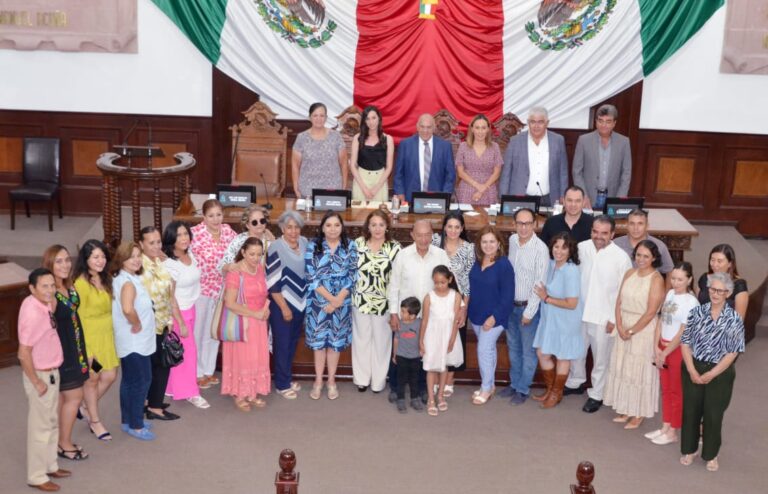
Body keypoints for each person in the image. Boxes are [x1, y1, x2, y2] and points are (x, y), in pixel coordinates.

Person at [680, 272, 745, 472]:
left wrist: (712, 373)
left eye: (720, 290)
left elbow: (732, 353)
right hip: (694, 366)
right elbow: (685, 343)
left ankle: (711, 454)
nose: (715, 294)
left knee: (713, 413)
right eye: (712, 289)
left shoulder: (734, 319)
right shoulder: (696, 313)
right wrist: (691, 369)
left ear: (728, 293)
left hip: (720, 372)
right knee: (691, 411)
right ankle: (689, 450)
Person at [567, 215, 633, 412]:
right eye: (595, 232)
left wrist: (615, 319)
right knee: (577, 352)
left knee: (601, 358)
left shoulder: (621, 258)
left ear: (612, 234)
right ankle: (576, 382)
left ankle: (597, 394)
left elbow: (624, 292)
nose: (599, 236)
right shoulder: (581, 248)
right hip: (580, 312)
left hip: (603, 318)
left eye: (604, 233)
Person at [603, 240, 666, 429]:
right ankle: (626, 408)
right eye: (638, 255)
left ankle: (639, 412)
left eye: (646, 256)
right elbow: (618, 302)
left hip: (643, 330)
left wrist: (631, 331)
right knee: (624, 368)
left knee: (639, 371)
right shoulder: (629, 273)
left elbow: (651, 311)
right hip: (624, 325)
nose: (641, 259)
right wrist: (620, 326)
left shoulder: (656, 279)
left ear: (654, 258)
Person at [18, 268, 70, 491]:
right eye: (44, 286)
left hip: (50, 372)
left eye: (52, 285)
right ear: (32, 288)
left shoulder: (41, 303)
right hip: (40, 375)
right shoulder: (33, 313)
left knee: (50, 421)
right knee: (40, 427)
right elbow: (23, 353)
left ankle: (50, 465)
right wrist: (36, 381)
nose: (50, 290)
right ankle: (37, 476)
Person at [387, 219, 451, 404]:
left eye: (427, 235)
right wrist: (393, 314)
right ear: (412, 235)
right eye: (419, 235)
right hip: (406, 317)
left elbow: (448, 284)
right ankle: (396, 387)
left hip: (431, 316)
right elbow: (394, 286)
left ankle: (423, 389)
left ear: (433, 235)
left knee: (425, 354)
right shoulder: (403, 255)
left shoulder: (440, 255)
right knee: (399, 352)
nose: (424, 239)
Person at [42, 245, 89, 461]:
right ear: (49, 264)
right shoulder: (49, 293)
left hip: (76, 346)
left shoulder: (68, 286)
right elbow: (44, 327)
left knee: (63, 399)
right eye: (58, 261)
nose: (65, 265)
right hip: (62, 352)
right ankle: (65, 443)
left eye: (67, 260)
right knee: (74, 397)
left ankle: (58, 441)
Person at [304, 211, 358, 400]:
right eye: (328, 225)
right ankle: (318, 381)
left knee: (335, 344)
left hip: (342, 302)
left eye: (336, 225)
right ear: (322, 228)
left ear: (342, 227)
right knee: (319, 345)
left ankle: (332, 381)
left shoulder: (350, 246)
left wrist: (338, 300)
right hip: (318, 302)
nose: (333, 229)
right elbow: (311, 276)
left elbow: (353, 274)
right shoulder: (313, 246)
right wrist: (330, 299)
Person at [646, 262, 699, 446]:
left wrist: (665, 352)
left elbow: (683, 332)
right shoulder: (669, 294)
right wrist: (656, 347)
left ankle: (673, 430)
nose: (676, 283)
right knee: (666, 389)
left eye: (680, 280)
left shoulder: (691, 302)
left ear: (689, 280)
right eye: (673, 278)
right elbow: (661, 321)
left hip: (677, 350)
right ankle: (665, 425)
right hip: (662, 346)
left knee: (676, 391)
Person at [499, 207, 549, 405]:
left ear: (535, 224)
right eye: (520, 223)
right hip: (511, 306)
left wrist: (529, 312)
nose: (524, 227)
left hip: (529, 308)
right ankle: (514, 383)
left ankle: (523, 388)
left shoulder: (541, 249)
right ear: (514, 224)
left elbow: (540, 283)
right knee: (513, 348)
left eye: (528, 223)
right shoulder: (512, 241)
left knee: (528, 351)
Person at [531, 232, 584, 409]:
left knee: (563, 357)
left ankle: (556, 393)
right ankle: (550, 389)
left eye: (564, 247)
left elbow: (572, 303)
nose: (558, 251)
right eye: (556, 246)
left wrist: (547, 298)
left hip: (566, 320)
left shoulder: (571, 271)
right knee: (542, 353)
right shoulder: (551, 264)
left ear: (570, 250)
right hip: (550, 319)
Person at [72, 239, 118, 442]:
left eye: (102, 257)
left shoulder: (106, 278)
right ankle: (95, 420)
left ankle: (83, 407)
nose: (100, 261)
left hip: (106, 337)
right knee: (92, 379)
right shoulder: (81, 284)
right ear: (86, 259)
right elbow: (78, 318)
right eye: (95, 257)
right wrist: (86, 350)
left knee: (109, 376)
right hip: (90, 339)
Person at [111, 241, 156, 441]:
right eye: (132, 256)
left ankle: (127, 420)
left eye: (139, 255)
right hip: (135, 341)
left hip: (130, 341)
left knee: (129, 381)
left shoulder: (124, 278)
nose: (137, 260)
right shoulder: (128, 282)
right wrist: (136, 323)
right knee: (142, 381)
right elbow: (128, 309)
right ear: (122, 259)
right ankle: (136, 425)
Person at [190, 199, 237, 389]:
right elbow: (203, 264)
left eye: (219, 214)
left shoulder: (228, 231)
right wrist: (226, 266)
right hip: (202, 291)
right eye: (211, 216)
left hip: (221, 291)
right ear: (204, 217)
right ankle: (196, 372)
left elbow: (238, 251)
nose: (216, 219)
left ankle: (208, 371)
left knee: (213, 332)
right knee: (198, 332)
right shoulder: (196, 234)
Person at [352, 210, 401, 393]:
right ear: (368, 227)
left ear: (387, 226)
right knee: (362, 340)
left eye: (381, 224)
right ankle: (362, 379)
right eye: (373, 225)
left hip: (384, 303)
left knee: (382, 342)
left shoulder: (394, 248)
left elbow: (397, 279)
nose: (377, 228)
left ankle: (378, 382)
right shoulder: (358, 244)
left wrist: (394, 305)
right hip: (361, 300)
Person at [162, 221, 209, 409]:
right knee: (189, 353)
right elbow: (170, 296)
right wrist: (179, 321)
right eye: (179, 235)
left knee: (180, 352)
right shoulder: (170, 264)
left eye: (185, 234)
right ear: (171, 239)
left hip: (191, 308)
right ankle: (191, 392)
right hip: (178, 312)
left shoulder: (190, 255)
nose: (183, 238)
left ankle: (173, 387)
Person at [221, 237, 271, 411]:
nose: (255, 258)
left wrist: (265, 310)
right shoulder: (235, 273)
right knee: (243, 360)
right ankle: (239, 394)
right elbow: (230, 303)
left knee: (256, 358)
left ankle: (252, 391)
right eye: (251, 254)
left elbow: (263, 293)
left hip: (259, 322)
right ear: (242, 252)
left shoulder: (259, 269)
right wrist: (254, 314)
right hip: (242, 321)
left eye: (259, 254)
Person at [468, 226, 515, 405]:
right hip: (476, 315)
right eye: (484, 241)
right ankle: (491, 384)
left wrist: (494, 318)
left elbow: (507, 297)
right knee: (488, 350)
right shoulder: (477, 261)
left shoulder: (504, 264)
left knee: (483, 350)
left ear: (499, 243)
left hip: (495, 317)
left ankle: (486, 388)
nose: (488, 245)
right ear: (479, 244)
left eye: (492, 242)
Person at [139, 226, 181, 421]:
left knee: (159, 365)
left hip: (163, 322)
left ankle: (151, 401)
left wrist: (170, 319)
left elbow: (168, 293)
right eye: (151, 243)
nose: (156, 246)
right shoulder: (140, 267)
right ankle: (154, 407)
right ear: (141, 244)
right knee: (159, 366)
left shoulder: (158, 262)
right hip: (149, 326)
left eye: (158, 242)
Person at [431, 211, 474, 398]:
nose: (453, 230)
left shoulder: (469, 249)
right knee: (437, 339)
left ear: (462, 228)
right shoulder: (435, 242)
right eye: (449, 226)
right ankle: (435, 378)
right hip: (437, 300)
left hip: (457, 301)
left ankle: (449, 379)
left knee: (454, 340)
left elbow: (468, 282)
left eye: (457, 227)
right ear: (444, 227)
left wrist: (464, 308)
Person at [266, 210, 308, 399]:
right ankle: (281, 384)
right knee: (282, 344)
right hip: (282, 303)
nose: (293, 231)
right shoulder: (275, 247)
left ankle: (287, 377)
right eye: (289, 227)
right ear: (282, 228)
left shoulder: (305, 243)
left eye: (296, 227)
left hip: (301, 303)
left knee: (292, 343)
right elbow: (273, 282)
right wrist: (284, 307)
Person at [499, 106, 569, 207]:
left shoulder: (558, 140)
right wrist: (503, 197)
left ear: (547, 123)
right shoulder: (515, 141)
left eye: (540, 122)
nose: (536, 126)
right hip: (521, 196)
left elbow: (563, 172)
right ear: (528, 122)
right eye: (532, 122)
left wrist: (563, 194)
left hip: (549, 198)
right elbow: (506, 172)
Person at [419, 266, 463, 416]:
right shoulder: (429, 297)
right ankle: (431, 399)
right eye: (436, 282)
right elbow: (424, 321)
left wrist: (452, 340)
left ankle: (441, 395)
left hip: (448, 335)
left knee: (444, 366)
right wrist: (421, 340)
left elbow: (456, 320)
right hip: (432, 336)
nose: (439, 286)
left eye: (442, 282)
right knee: (431, 367)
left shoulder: (455, 296)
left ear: (450, 280)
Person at [572, 104, 632, 209]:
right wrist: (583, 195)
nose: (603, 125)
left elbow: (626, 173)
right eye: (600, 120)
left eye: (608, 121)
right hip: (588, 197)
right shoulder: (583, 140)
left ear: (614, 123)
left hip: (613, 197)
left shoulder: (624, 142)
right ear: (596, 122)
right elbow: (577, 172)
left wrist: (619, 199)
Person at [393, 113, 456, 203]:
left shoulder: (445, 147)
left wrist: (445, 195)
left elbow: (450, 175)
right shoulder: (405, 145)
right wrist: (400, 193)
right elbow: (398, 173)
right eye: (422, 127)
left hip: (437, 199)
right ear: (417, 127)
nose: (425, 130)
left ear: (434, 128)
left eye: (429, 127)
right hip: (409, 198)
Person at [292, 102, 347, 198]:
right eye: (315, 115)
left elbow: (344, 163)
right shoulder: (301, 138)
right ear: (310, 117)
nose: (318, 119)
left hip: (332, 190)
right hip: (307, 191)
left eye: (322, 115)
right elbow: (295, 165)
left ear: (326, 117)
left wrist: (344, 186)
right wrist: (296, 188)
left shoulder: (336, 136)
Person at [454, 114, 503, 206]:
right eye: (477, 128)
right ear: (472, 129)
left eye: (483, 128)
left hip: (488, 189)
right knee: (466, 219)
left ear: (488, 129)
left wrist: (483, 188)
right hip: (467, 189)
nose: (480, 131)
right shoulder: (463, 146)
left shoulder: (495, 147)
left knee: (488, 219)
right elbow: (460, 172)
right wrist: (477, 186)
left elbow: (497, 173)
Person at [349, 105, 394, 202]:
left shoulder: (388, 139)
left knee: (379, 215)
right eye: (367, 119)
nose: (371, 122)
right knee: (358, 215)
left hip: (380, 182)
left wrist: (377, 188)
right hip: (360, 181)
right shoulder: (357, 138)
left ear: (379, 119)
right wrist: (364, 188)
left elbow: (389, 167)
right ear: (364, 121)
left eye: (374, 118)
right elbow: (353, 165)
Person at [614, 209, 674, 276]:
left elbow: (669, 272)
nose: (635, 228)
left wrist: (665, 287)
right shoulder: (616, 244)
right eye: (632, 223)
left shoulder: (659, 246)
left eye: (640, 224)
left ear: (647, 226)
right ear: (627, 225)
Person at [695, 244, 748, 320]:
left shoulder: (739, 285)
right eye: (712, 260)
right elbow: (696, 306)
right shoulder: (704, 278)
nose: (714, 264)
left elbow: (739, 320)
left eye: (719, 261)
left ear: (730, 263)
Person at [218, 205, 276, 272]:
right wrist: (232, 267)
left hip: (263, 281)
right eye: (255, 222)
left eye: (262, 221)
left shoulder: (270, 241)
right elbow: (222, 265)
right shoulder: (239, 240)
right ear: (247, 225)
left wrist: (274, 241)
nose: (259, 224)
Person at [392, 297, 422, 413]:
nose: (401, 313)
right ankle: (400, 399)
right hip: (401, 356)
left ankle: (414, 398)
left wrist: (422, 350)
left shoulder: (419, 323)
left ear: (413, 316)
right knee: (401, 379)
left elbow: (423, 337)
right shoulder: (399, 324)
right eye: (401, 310)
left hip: (415, 357)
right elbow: (396, 340)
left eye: (403, 312)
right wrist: (395, 355)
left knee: (414, 379)